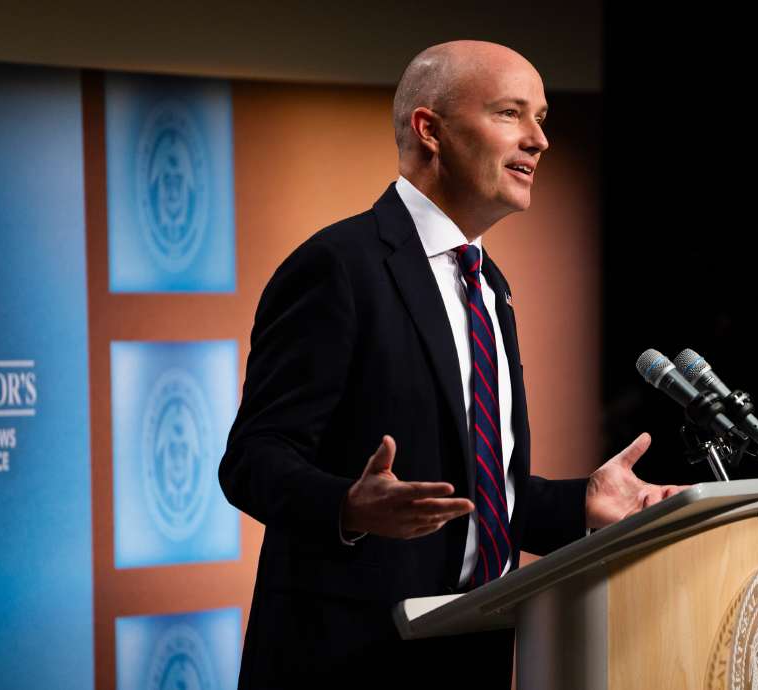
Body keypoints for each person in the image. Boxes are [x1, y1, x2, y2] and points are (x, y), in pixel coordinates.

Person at [219, 40, 685, 689]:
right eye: (511, 114)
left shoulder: (487, 283)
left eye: (543, 118)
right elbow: (252, 461)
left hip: (472, 652)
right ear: (429, 129)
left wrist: (581, 503)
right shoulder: (339, 268)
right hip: (351, 660)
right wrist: (348, 505)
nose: (539, 140)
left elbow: (479, 498)